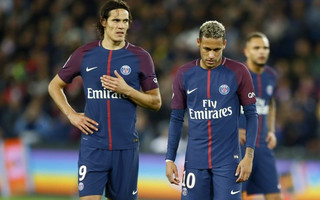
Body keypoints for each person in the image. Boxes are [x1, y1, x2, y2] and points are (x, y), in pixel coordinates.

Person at [48, 0, 161, 199]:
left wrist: (127, 90)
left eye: (125, 21)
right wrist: (71, 114)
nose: (121, 26)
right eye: (116, 20)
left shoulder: (140, 57)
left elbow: (156, 102)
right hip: (93, 146)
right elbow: (54, 85)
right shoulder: (84, 54)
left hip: (125, 146)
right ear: (103, 22)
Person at [165, 20, 258, 200]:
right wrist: (170, 159)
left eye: (216, 50)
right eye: (207, 48)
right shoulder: (184, 74)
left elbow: (252, 115)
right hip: (194, 162)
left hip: (228, 163)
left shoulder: (238, 72)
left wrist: (249, 156)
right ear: (198, 42)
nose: (211, 55)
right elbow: (176, 118)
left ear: (224, 44)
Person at [239, 32, 282, 200]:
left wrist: (271, 130)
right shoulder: (236, 75)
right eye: (256, 48)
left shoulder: (271, 75)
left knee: (275, 196)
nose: (261, 52)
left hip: (263, 146)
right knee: (237, 196)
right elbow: (221, 107)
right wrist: (234, 129)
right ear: (247, 51)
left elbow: (270, 103)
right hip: (240, 146)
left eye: (265, 48)